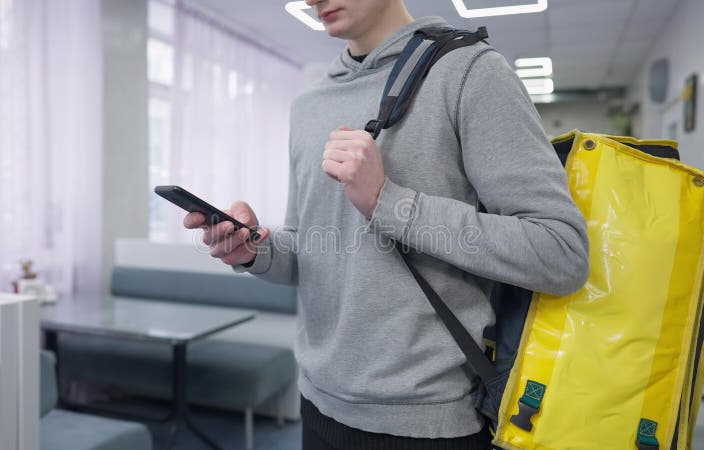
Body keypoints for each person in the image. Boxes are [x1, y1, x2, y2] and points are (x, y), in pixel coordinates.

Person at [184, 0, 590, 448]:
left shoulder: (470, 73)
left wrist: (387, 202)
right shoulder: (308, 106)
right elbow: (307, 251)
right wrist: (255, 251)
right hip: (318, 403)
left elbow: (560, 252)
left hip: (427, 423)